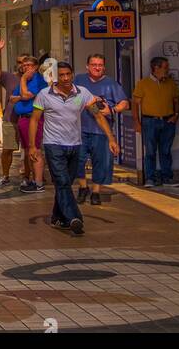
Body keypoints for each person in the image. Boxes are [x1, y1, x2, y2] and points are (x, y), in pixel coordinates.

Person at [29, 62, 119, 236]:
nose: (65, 78)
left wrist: (111, 139)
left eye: (68, 74)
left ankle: (57, 217)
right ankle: (74, 218)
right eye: (61, 75)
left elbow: (98, 116)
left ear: (72, 74)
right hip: (53, 144)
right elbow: (34, 120)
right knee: (62, 182)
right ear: (56, 77)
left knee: (66, 184)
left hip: (74, 145)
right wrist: (33, 146)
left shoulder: (81, 93)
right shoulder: (44, 95)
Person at [73, 53, 129, 206]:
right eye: (94, 65)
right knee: (78, 160)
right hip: (80, 128)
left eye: (100, 65)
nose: (97, 68)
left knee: (101, 162)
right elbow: (73, 99)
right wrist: (87, 101)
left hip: (102, 131)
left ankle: (96, 192)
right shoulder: (78, 80)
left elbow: (125, 103)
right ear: (87, 66)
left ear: (104, 67)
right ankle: (83, 187)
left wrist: (112, 110)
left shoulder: (111, 83)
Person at [133, 57, 179, 188]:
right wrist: (137, 122)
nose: (167, 70)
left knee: (165, 151)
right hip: (149, 121)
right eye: (165, 67)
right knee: (150, 151)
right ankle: (150, 178)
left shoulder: (171, 83)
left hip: (168, 121)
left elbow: (176, 100)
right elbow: (135, 105)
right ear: (156, 68)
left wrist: (176, 115)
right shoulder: (143, 84)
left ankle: (167, 178)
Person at [0, 38, 24, 188]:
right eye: (20, 62)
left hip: (29, 119)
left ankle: (29, 177)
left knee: (30, 151)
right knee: (7, 149)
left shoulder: (36, 79)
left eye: (26, 63)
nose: (23, 65)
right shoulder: (10, 77)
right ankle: (5, 176)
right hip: (11, 119)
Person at [15, 55, 48, 193]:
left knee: (35, 149)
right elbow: (13, 97)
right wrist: (22, 91)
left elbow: (26, 96)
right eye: (23, 65)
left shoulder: (38, 80)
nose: (25, 67)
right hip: (22, 118)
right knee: (28, 150)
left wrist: (22, 80)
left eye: (28, 65)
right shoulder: (25, 81)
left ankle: (39, 182)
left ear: (35, 67)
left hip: (33, 118)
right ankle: (34, 179)